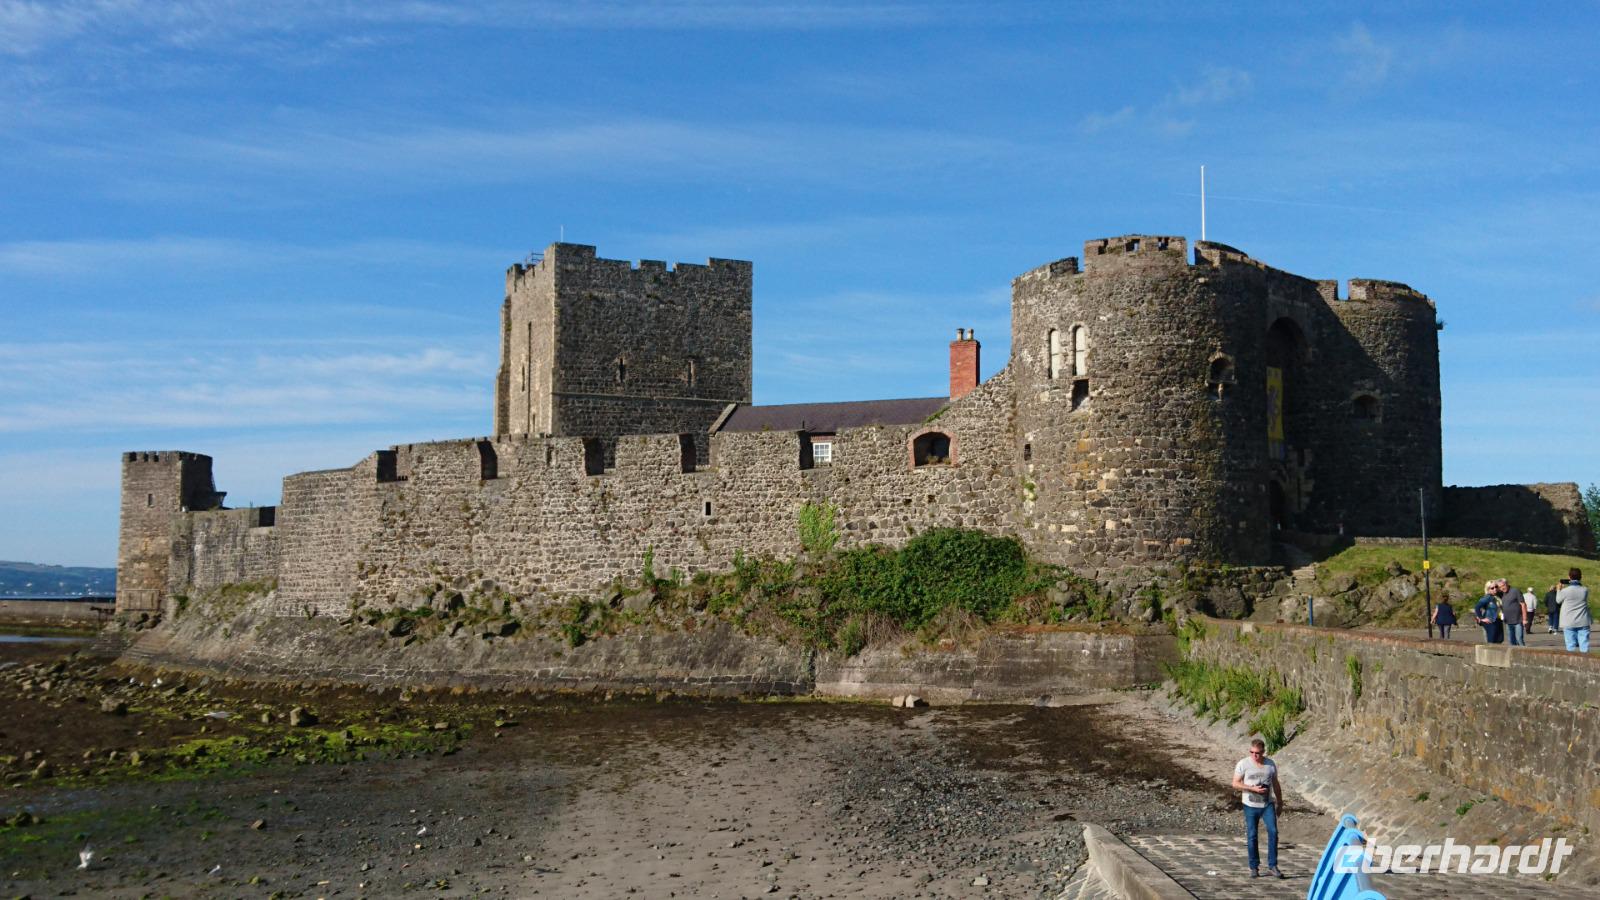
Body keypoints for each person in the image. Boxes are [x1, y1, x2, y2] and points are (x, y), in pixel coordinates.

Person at [1232, 737, 1284, 879]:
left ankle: (1273, 865)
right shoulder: (1243, 764)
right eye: (1252, 752)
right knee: (1252, 835)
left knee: (1273, 832)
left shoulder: (1270, 764)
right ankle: (1254, 867)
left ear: (1263, 752)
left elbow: (1276, 784)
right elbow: (1235, 783)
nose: (1254, 755)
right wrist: (1252, 788)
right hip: (1250, 805)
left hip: (1267, 804)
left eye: (1258, 753)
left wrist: (1280, 802)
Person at [1557, 568, 1591, 654]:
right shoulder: (1585, 590)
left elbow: (1558, 600)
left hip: (1568, 621)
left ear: (1569, 577)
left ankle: (1571, 660)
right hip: (1583, 620)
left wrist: (1558, 589)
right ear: (1581, 577)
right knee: (1584, 645)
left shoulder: (1565, 591)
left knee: (1570, 645)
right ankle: (1585, 660)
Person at [1500, 579, 1525, 646]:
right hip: (1508, 621)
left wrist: (1525, 619)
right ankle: (1514, 652)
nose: (1502, 588)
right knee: (1511, 640)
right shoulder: (1501, 593)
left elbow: (1523, 604)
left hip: (1518, 620)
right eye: (1500, 587)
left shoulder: (1515, 591)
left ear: (1507, 583)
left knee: (1519, 639)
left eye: (1503, 585)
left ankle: (1523, 651)